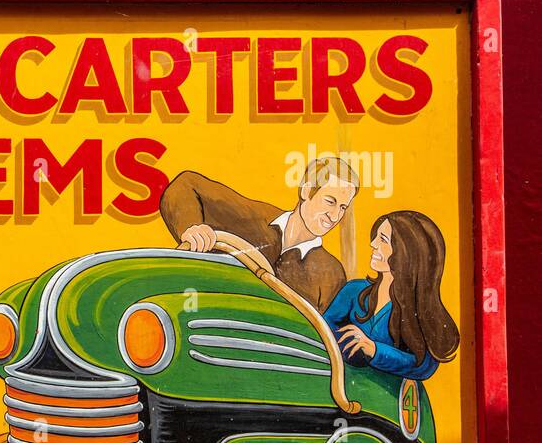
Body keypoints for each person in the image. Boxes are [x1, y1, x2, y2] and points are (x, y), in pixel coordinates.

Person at [159, 156, 359, 311]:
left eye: (343, 207)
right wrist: (191, 227)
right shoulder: (251, 216)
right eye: (330, 202)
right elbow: (186, 184)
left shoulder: (332, 274)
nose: (334, 216)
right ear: (306, 191)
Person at [324, 211, 460, 381]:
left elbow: (424, 365)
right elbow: (321, 329)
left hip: (392, 401)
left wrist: (374, 349)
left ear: (405, 252)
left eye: (383, 240)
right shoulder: (354, 290)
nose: (373, 244)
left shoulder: (420, 309)